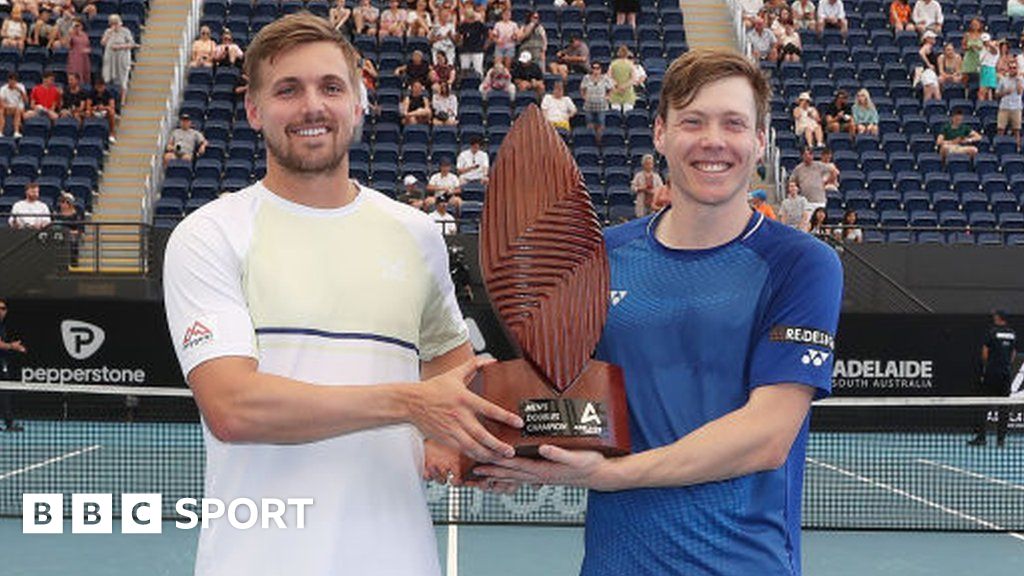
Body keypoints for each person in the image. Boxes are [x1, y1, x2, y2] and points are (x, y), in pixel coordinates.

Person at [163, 14, 522, 576]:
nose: (313, 106)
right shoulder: (210, 235)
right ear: (255, 110)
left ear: (358, 104)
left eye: (331, 87)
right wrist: (410, 404)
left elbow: (452, 369)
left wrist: (468, 442)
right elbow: (232, 407)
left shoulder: (418, 234)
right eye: (288, 89)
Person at [475, 48, 843, 576]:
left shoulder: (802, 263)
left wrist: (607, 476)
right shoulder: (600, 258)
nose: (713, 140)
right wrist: (498, 434)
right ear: (660, 133)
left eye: (733, 124)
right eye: (692, 121)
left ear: (760, 141)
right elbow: (572, 399)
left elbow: (767, 436)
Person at [968, 311, 1017, 447]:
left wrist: (990, 365)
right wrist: (1005, 365)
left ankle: (981, 438)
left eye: (995, 315)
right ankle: (1000, 441)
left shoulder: (992, 332)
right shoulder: (1012, 334)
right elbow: (1013, 354)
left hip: (992, 374)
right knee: (1004, 408)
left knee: (984, 405)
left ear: (997, 317)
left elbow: (985, 354)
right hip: (1005, 375)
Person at [0, 298, 26, 433]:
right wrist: (12, 346)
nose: (1, 311)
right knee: (4, 392)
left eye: (3, 308)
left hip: (1, 363)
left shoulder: (2, 326)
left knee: (5, 392)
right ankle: (9, 423)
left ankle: (9, 423)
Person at [101, 14, 135, 105]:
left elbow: (132, 44)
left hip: (122, 57)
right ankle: (111, 98)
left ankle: (123, 99)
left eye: (116, 23)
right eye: (112, 23)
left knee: (122, 79)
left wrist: (120, 47)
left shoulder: (125, 31)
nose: (114, 25)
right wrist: (109, 34)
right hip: (111, 57)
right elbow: (103, 43)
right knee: (109, 78)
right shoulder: (108, 31)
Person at [580, 61, 615, 143]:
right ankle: (590, 140)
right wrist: (584, 96)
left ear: (600, 69)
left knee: (601, 123)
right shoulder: (586, 78)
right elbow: (582, 88)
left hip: (601, 106)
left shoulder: (605, 78)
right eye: (594, 68)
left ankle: (599, 141)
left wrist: (608, 96)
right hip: (589, 105)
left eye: (597, 68)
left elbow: (611, 88)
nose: (595, 70)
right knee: (589, 123)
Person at [789, 146, 829, 214]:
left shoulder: (819, 165)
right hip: (806, 201)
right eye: (805, 155)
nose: (808, 156)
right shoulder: (798, 169)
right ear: (802, 156)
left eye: (810, 154)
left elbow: (831, 171)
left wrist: (825, 180)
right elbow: (791, 181)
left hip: (819, 200)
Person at [997, 58, 1024, 148]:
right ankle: (999, 146)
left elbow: (1020, 92)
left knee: (1016, 130)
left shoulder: (1021, 80)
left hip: (1016, 108)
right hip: (1004, 107)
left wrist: (1018, 80)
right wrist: (1005, 92)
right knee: (1001, 129)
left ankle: (1018, 148)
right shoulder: (1003, 80)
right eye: (1011, 68)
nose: (1013, 70)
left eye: (1014, 68)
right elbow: (997, 94)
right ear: (1008, 69)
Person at [456, 8, 487, 76]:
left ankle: (480, 83)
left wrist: (484, 44)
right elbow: (459, 37)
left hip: (477, 50)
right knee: (464, 69)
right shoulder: (463, 25)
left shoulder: (479, 25)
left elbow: (487, 34)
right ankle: (464, 84)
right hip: (465, 50)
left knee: (478, 69)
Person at [630, 153, 663, 218]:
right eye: (647, 164)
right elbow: (633, 188)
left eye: (651, 164)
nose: (649, 166)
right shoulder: (638, 176)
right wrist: (641, 188)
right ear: (643, 165)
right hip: (642, 202)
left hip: (653, 202)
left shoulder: (657, 177)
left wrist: (654, 191)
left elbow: (661, 189)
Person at [608, 45, 638, 112]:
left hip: (615, 91)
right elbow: (634, 79)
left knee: (615, 114)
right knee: (628, 114)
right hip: (628, 93)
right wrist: (624, 86)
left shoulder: (613, 64)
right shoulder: (631, 64)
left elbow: (609, 77)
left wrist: (617, 85)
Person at [88, 76, 118, 142]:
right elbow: (88, 106)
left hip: (105, 112)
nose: (99, 88)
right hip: (95, 111)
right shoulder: (91, 93)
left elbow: (112, 106)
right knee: (87, 113)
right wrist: (94, 108)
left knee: (112, 112)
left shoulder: (109, 94)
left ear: (104, 86)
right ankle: (89, 132)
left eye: (101, 86)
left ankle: (112, 133)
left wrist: (104, 107)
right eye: (98, 86)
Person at [0, 72, 28, 138]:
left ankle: (16, 132)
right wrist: (8, 107)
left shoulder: (21, 87)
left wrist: (20, 91)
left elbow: (26, 101)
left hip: (19, 108)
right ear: (8, 80)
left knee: (18, 109)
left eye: (14, 80)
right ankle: (0, 132)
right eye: (11, 80)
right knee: (1, 110)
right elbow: (1, 103)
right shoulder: (3, 89)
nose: (12, 82)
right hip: (7, 108)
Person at [65, 18, 91, 84]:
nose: (77, 27)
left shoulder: (85, 35)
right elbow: (67, 45)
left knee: (85, 72)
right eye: (75, 25)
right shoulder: (71, 34)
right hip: (75, 56)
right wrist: (70, 35)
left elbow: (87, 45)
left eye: (78, 25)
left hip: (84, 57)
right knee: (75, 71)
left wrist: (88, 50)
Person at [918, 31, 941, 101]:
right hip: (928, 72)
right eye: (932, 38)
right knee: (928, 94)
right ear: (927, 39)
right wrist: (929, 64)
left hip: (932, 73)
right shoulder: (927, 46)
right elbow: (921, 52)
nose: (934, 39)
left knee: (937, 95)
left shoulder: (930, 47)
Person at [979, 33, 998, 101]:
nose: (985, 43)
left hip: (989, 69)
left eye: (986, 41)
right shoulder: (983, 49)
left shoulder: (994, 48)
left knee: (983, 92)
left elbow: (994, 51)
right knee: (986, 93)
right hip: (983, 70)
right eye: (983, 41)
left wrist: (990, 44)